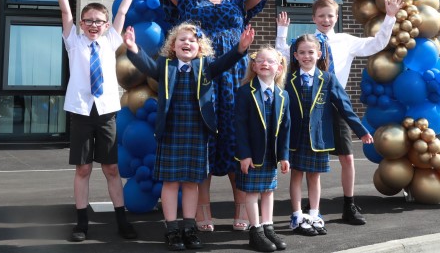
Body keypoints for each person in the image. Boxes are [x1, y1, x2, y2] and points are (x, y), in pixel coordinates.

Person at [155, 0, 274, 231]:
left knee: (237, 141)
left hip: (235, 75)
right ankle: (202, 212)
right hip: (201, 78)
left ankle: (241, 210)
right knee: (203, 142)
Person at [124, 22, 255, 251]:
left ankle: (189, 227)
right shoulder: (165, 66)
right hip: (171, 133)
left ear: (200, 47)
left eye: (192, 40)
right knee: (171, 182)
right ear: (173, 46)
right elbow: (146, 65)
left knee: (192, 183)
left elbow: (226, 62)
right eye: (182, 40)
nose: (187, 43)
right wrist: (134, 48)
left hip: (196, 134)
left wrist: (241, 48)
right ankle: (172, 229)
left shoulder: (205, 67)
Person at [276, 0, 402, 225]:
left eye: (330, 15)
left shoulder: (347, 40)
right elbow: (282, 54)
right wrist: (282, 31)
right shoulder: (306, 44)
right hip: (312, 106)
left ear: (337, 17)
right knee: (307, 159)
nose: (326, 20)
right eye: (321, 15)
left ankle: (349, 204)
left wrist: (390, 17)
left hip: (336, 104)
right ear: (314, 18)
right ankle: (311, 207)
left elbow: (377, 43)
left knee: (347, 158)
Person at [50, 0, 139, 242]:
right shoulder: (74, 42)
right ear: (82, 23)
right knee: (83, 168)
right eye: (87, 20)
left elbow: (123, 10)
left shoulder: (111, 40)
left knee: (111, 168)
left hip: (107, 112)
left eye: (98, 21)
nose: (92, 25)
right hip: (81, 112)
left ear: (104, 24)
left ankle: (122, 221)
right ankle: (81, 223)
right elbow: (65, 11)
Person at [285, 34, 374, 236]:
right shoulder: (287, 80)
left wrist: (361, 131)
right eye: (302, 52)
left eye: (310, 52)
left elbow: (345, 107)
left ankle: (314, 215)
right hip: (295, 137)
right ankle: (297, 216)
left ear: (318, 54)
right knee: (296, 176)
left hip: (318, 138)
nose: (306, 56)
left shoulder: (328, 79)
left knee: (315, 177)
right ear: (296, 55)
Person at [234, 47, 291, 252]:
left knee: (268, 191)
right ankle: (255, 230)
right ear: (254, 66)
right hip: (252, 153)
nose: (265, 64)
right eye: (261, 60)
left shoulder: (283, 95)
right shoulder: (244, 92)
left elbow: (286, 127)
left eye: (271, 61)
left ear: (279, 67)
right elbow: (239, 126)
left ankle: (268, 227)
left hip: (270, 154)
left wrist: (284, 155)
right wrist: (244, 154)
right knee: (252, 192)